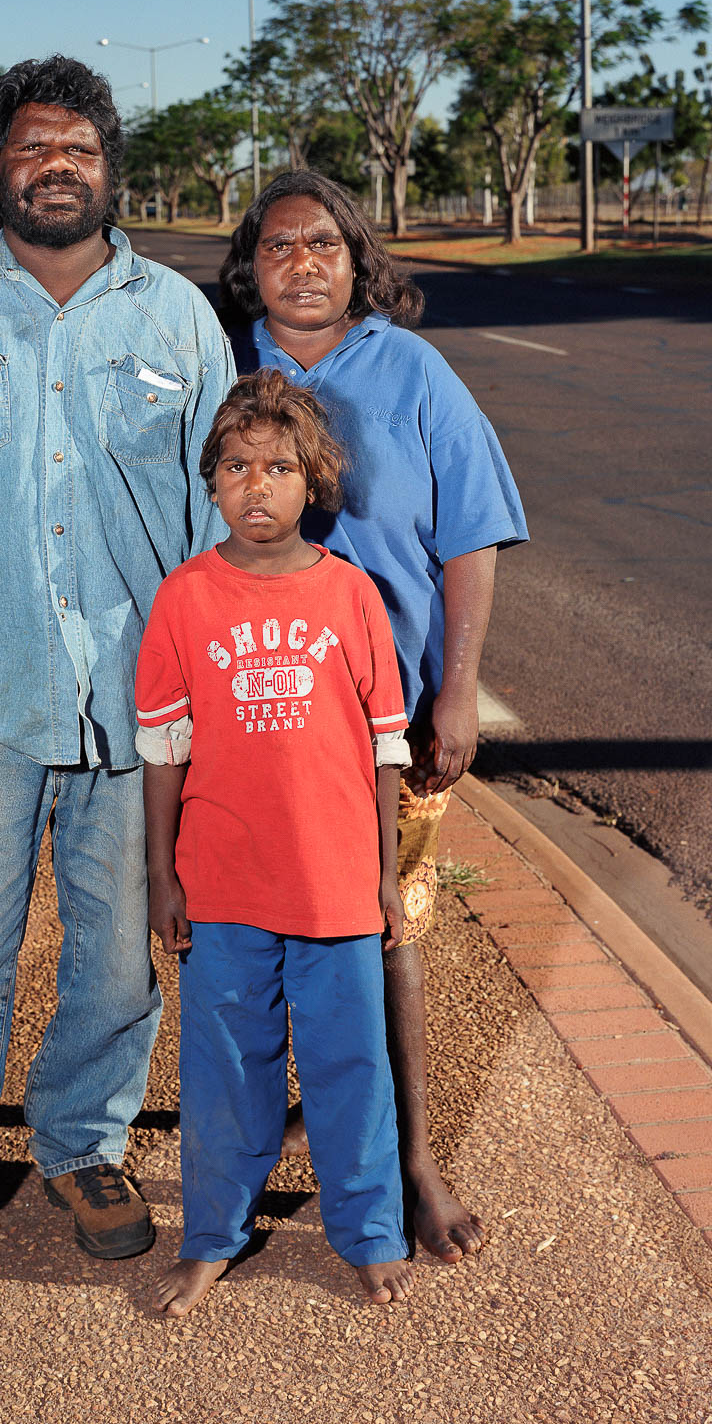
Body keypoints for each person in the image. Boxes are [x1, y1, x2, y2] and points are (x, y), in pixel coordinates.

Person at [0, 55, 234, 1328]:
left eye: (78, 146)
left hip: (144, 708)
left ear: (107, 168)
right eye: (33, 147)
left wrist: (218, 710)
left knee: (118, 958)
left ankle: (82, 1140)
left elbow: (218, 525)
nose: (57, 165)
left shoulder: (179, 323)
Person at [220, 171, 528, 1265]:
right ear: (247, 265)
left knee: (382, 928)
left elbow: (471, 535)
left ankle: (410, 1160)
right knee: (246, 933)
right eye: (275, 247)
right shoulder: (220, 373)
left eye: (322, 245)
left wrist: (455, 690)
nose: (300, 264)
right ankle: (257, 1145)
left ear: (358, 259)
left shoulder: (412, 370)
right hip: (251, 713)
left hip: (383, 720)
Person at [137, 369, 417, 1318]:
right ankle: (212, 1233)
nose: (258, 486)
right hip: (221, 885)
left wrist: (385, 876)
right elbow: (163, 754)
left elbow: (385, 749)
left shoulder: (351, 598)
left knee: (351, 1065)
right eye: (236, 467)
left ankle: (370, 1232)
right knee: (222, 1069)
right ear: (210, 482)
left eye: (280, 467)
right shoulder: (183, 600)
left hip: (336, 882)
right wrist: (160, 877)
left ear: (314, 481)